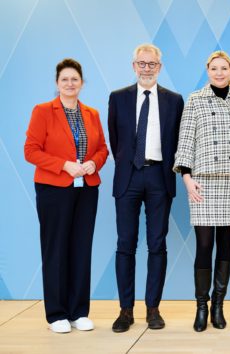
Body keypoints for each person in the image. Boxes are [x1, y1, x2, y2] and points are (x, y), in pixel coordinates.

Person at [24, 58, 109, 333]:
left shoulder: (92, 113)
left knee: (81, 248)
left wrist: (94, 163)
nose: (70, 84)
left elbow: (102, 148)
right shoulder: (43, 111)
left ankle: (78, 311)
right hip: (53, 189)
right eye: (65, 80)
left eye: (75, 79)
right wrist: (64, 165)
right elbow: (31, 150)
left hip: (86, 189)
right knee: (56, 248)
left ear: (82, 83)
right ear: (57, 83)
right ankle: (57, 313)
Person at [108, 44, 184, 332]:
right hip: (128, 178)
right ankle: (125, 310)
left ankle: (153, 308)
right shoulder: (118, 98)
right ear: (134, 66)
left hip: (159, 177)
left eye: (152, 64)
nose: (147, 68)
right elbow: (116, 140)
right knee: (125, 245)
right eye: (142, 63)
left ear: (160, 67)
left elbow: (177, 140)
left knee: (157, 244)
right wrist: (130, 164)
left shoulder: (174, 100)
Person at [174, 50, 230, 332]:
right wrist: (186, 176)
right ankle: (201, 306)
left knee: (226, 244)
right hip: (203, 181)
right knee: (204, 244)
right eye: (214, 68)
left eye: (224, 68)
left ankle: (219, 305)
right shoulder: (195, 99)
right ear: (208, 71)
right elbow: (186, 139)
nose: (219, 73)